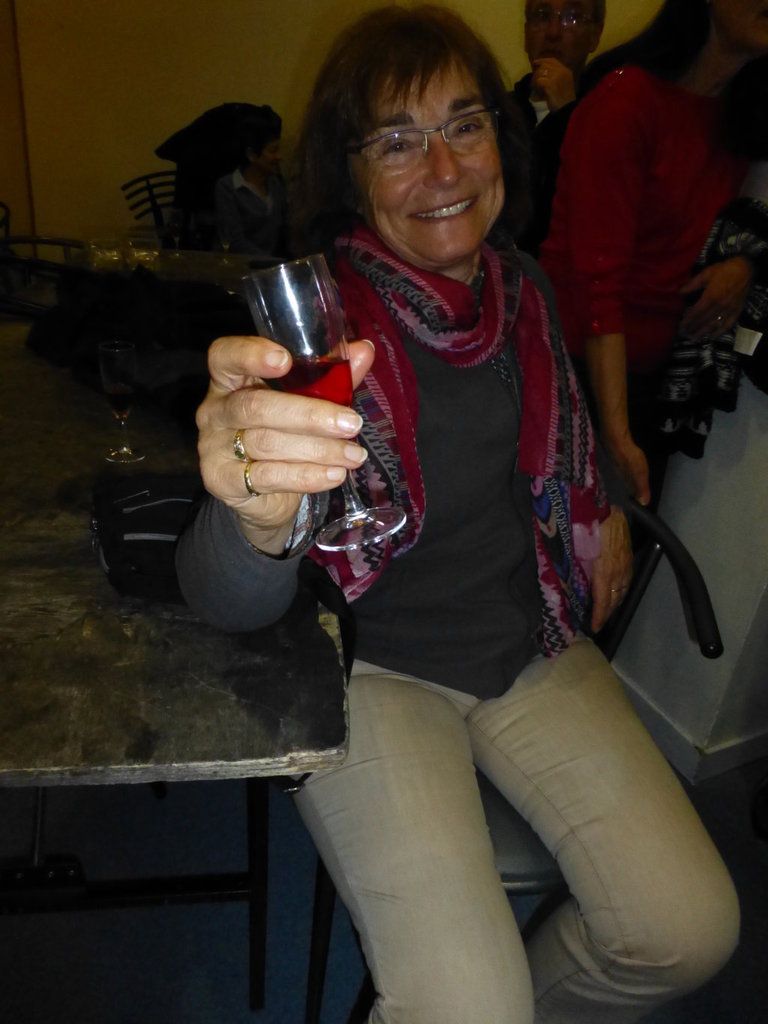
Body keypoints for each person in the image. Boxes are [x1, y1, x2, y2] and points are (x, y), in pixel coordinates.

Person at [177, 7, 739, 1023]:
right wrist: (250, 519)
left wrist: (606, 502)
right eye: (397, 141)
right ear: (350, 173)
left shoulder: (522, 290)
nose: (443, 169)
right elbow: (224, 600)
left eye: (464, 125)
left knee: (690, 930)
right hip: (373, 664)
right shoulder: (314, 336)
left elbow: (560, 434)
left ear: (499, 139)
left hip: (531, 637)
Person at [539, 0, 768, 506]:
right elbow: (598, 284)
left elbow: (741, 226)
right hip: (574, 374)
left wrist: (745, 265)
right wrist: (617, 433)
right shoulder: (628, 101)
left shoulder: (740, 115)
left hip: (655, 380)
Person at [510, 1, 605, 255]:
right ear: (526, 32)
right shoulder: (499, 114)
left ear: (595, 35)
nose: (553, 32)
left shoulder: (608, 120)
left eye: (572, 18)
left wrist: (567, 114)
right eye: (542, 16)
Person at [213, 105, 287, 258]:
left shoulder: (275, 184)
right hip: (242, 266)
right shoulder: (228, 188)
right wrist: (274, 262)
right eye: (273, 151)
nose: (279, 156)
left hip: (270, 265)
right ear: (251, 155)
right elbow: (235, 243)